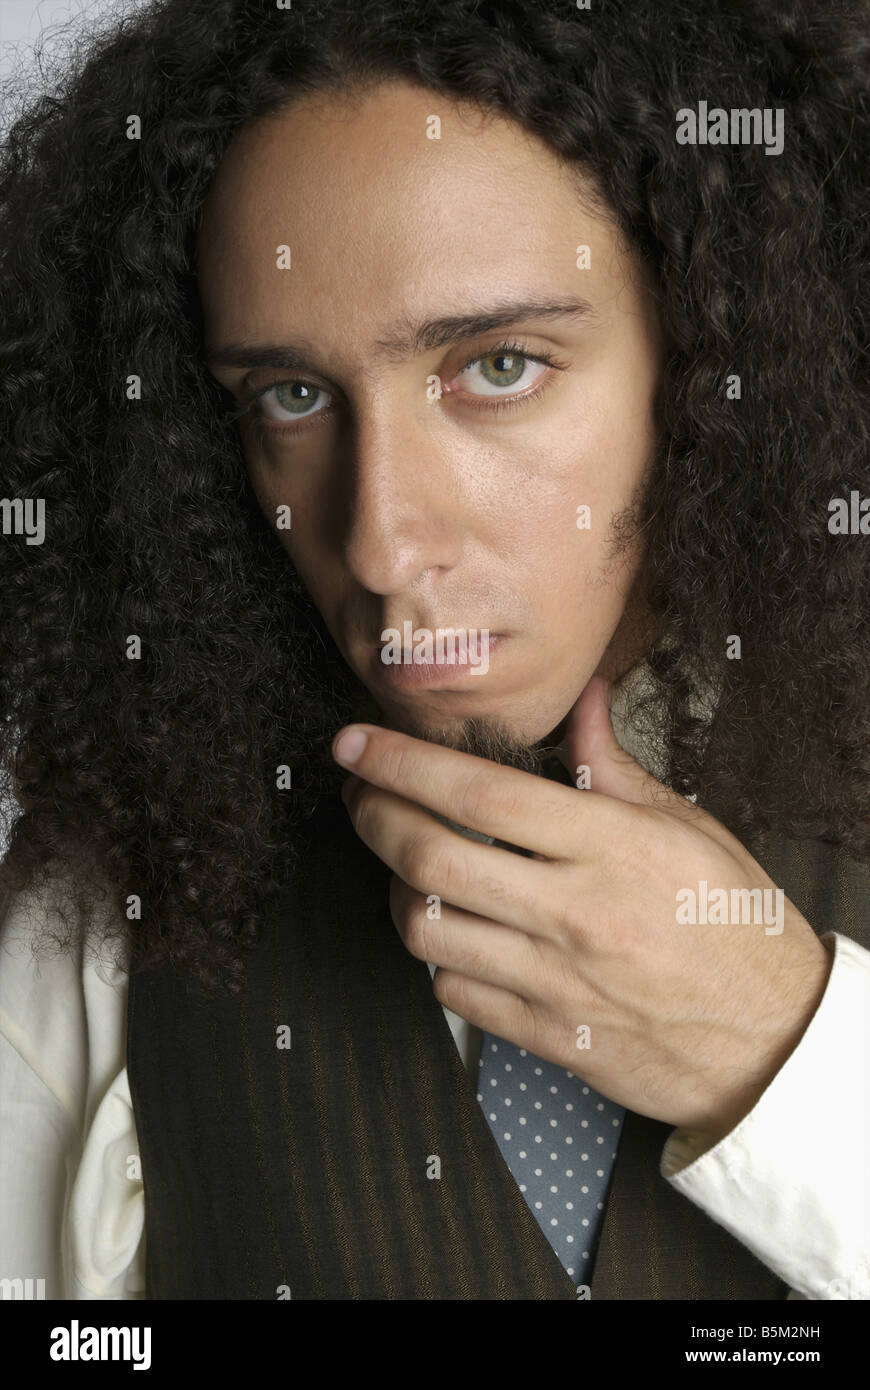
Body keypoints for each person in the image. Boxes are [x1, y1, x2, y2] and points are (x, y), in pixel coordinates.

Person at [0, 0, 868, 1301]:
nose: (383, 542)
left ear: (701, 346)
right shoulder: (100, 917)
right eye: (289, 397)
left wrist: (782, 1053)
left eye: (499, 366)